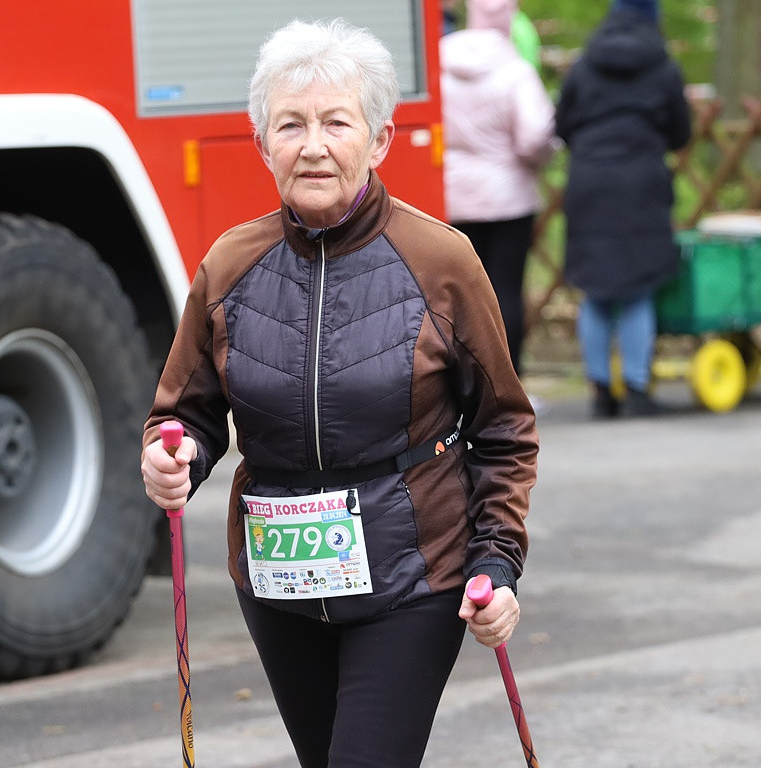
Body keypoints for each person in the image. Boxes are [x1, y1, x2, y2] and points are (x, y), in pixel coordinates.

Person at [140, 18, 539, 768]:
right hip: (278, 580)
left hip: (416, 573)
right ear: (263, 145)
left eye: (335, 122)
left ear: (379, 140)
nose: (313, 145)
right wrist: (175, 458)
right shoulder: (229, 264)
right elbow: (185, 412)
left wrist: (498, 561)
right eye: (289, 125)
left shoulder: (441, 261)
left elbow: (504, 428)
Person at [555, 0, 691, 418]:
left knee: (595, 290)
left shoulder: (583, 66)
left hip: (590, 182)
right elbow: (680, 132)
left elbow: (561, 125)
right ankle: (636, 389)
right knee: (636, 288)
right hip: (641, 184)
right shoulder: (664, 67)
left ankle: (600, 391)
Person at [441, 0, 557, 378]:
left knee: (456, 295)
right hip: (508, 198)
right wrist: (537, 159)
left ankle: (460, 386)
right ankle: (508, 387)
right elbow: (536, 135)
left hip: (453, 196)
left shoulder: (440, 62)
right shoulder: (515, 71)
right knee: (504, 290)